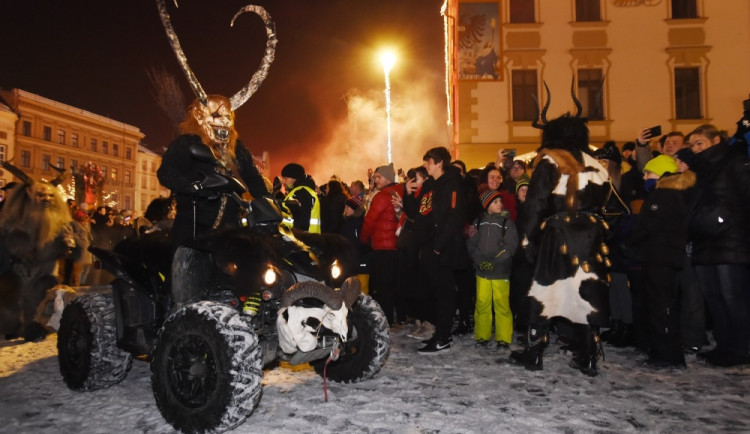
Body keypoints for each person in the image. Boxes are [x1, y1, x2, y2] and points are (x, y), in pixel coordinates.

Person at [509, 88, 611, 376]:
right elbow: (610, 203)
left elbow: (536, 202)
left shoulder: (549, 159)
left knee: (544, 291)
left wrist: (527, 240)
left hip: (558, 233)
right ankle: (589, 355)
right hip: (591, 235)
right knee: (587, 292)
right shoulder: (594, 162)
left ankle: (534, 352)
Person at [157, 95, 269, 247]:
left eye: (228, 116)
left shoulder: (237, 148)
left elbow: (252, 177)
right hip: (193, 225)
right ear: (199, 116)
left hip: (229, 228)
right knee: (185, 265)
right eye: (216, 115)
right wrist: (193, 186)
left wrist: (268, 201)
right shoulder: (187, 142)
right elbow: (167, 173)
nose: (224, 120)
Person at [687, 124, 750, 367]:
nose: (695, 148)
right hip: (705, 239)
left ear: (715, 140)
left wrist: (734, 224)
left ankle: (740, 348)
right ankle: (723, 346)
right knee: (713, 297)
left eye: (699, 143)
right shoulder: (700, 170)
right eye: (692, 145)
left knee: (732, 296)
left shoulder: (735, 161)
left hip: (731, 240)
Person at [627, 155, 692, 368]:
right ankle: (663, 350)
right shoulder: (673, 193)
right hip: (664, 255)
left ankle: (667, 354)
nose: (645, 176)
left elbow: (647, 227)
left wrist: (631, 239)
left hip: (659, 256)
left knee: (661, 305)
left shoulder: (663, 195)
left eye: (649, 172)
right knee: (661, 303)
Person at [417, 147, 467, 354]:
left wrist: (438, 246)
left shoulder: (452, 184)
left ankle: (443, 336)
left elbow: (454, 217)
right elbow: (422, 213)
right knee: (435, 292)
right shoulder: (432, 185)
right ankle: (440, 333)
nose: (426, 165)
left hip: (444, 248)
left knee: (445, 292)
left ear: (439, 163)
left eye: (428, 161)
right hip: (432, 246)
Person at [467, 189, 518, 349]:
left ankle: (503, 338)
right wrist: (479, 260)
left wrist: (495, 262)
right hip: (482, 272)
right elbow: (471, 244)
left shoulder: (507, 223)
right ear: (487, 205)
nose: (500, 204)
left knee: (501, 304)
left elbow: (511, 246)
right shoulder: (478, 223)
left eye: (500, 202)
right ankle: (482, 335)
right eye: (496, 202)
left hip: (500, 271)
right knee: (482, 303)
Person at [360, 163, 401, 325]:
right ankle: (399, 317)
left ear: (387, 178)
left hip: (382, 246)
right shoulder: (399, 191)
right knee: (393, 284)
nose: (375, 180)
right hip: (396, 246)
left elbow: (370, 220)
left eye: (378, 177)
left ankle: (385, 319)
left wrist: (363, 239)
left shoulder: (382, 196)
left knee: (383, 286)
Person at [279, 163, 321, 233]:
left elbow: (302, 223)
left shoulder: (301, 192)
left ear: (294, 178)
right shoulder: (302, 191)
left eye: (285, 178)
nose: (283, 182)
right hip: (309, 239)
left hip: (302, 239)